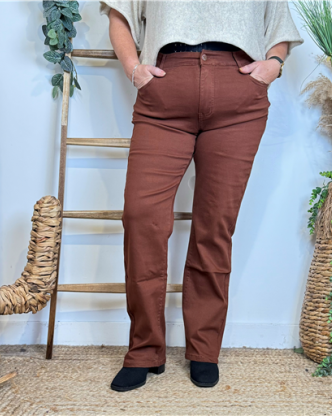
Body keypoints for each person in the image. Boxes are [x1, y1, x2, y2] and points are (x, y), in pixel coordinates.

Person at [99, 0, 304, 392]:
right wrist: (133, 68)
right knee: (141, 217)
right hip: (164, 94)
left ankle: (204, 349)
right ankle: (144, 350)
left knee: (215, 225)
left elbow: (278, 23)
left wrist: (273, 65)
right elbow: (119, 13)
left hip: (239, 99)